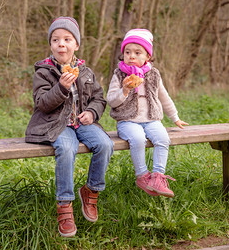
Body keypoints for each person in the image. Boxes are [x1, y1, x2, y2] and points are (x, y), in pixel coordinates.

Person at [25, 16, 114, 238]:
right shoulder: (43, 72)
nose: (61, 44)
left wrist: (92, 113)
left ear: (76, 45)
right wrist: (61, 88)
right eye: (55, 40)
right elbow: (42, 103)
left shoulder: (85, 71)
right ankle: (64, 204)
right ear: (51, 45)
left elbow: (99, 98)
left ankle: (91, 190)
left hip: (81, 122)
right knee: (66, 149)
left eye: (67, 39)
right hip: (55, 124)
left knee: (104, 144)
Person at [106, 28, 188, 198]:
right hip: (127, 121)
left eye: (137, 52)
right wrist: (125, 90)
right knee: (137, 139)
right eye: (127, 52)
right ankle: (142, 175)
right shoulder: (119, 74)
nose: (132, 56)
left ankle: (158, 177)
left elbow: (164, 97)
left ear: (147, 56)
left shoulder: (154, 74)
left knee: (163, 138)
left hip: (151, 119)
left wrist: (175, 117)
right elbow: (111, 100)